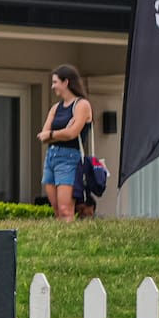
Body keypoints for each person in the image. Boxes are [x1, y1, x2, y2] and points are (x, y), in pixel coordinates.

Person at [37, 63, 93, 222]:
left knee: (65, 209)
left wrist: (53, 134)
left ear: (66, 82)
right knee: (56, 208)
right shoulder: (56, 107)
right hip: (51, 157)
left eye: (55, 82)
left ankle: (71, 242)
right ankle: (60, 241)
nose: (52, 86)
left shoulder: (82, 105)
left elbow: (72, 134)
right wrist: (60, 133)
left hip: (69, 158)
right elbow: (43, 136)